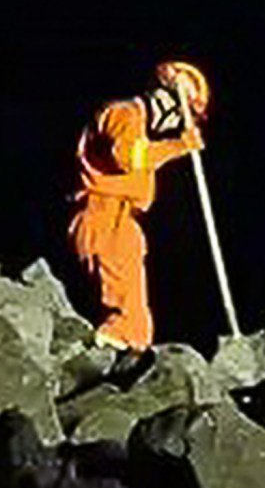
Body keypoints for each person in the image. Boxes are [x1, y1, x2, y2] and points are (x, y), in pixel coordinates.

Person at [68, 60, 208, 347]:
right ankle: (117, 344)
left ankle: (131, 351)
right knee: (121, 298)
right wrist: (179, 146)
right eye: (182, 117)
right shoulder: (125, 115)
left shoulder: (138, 127)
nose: (177, 126)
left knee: (131, 299)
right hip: (104, 213)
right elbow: (127, 158)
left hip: (119, 216)